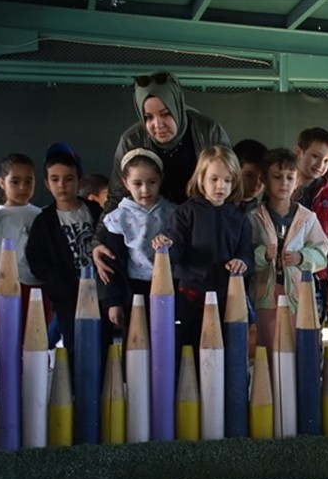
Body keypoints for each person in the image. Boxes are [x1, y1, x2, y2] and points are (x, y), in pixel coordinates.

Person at [93, 72, 231, 273]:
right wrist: (98, 241)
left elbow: (231, 187)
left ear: (177, 106)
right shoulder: (132, 140)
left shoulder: (208, 131)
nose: (158, 125)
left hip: (203, 237)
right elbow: (117, 197)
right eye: (148, 117)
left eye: (166, 114)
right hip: (154, 242)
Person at [154, 146, 252, 353]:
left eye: (227, 180)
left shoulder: (239, 218)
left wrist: (242, 262)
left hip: (228, 297)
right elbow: (175, 247)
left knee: (225, 351)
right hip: (191, 294)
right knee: (189, 349)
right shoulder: (185, 213)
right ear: (201, 179)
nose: (221, 186)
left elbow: (246, 254)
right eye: (214, 179)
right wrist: (166, 246)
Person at [247, 148, 328, 355]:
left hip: (298, 297)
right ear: (265, 180)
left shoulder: (307, 218)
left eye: (289, 177)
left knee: (297, 350)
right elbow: (244, 256)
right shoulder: (253, 217)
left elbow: (322, 254)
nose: (283, 183)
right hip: (265, 296)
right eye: (277, 177)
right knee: (266, 351)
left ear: (297, 181)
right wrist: (263, 255)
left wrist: (302, 257)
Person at [26, 142, 105, 355]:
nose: (62, 185)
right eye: (55, 179)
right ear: (46, 183)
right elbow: (36, 258)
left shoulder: (95, 211)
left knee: (103, 347)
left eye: (69, 179)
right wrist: (55, 282)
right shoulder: (44, 222)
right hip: (68, 298)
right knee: (75, 348)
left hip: (100, 295)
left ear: (79, 181)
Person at [98, 148, 176, 332]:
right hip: (133, 290)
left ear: (160, 180)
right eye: (137, 183)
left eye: (152, 182)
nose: (145, 190)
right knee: (136, 341)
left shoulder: (173, 213)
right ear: (125, 182)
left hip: (167, 287)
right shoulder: (118, 218)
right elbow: (112, 263)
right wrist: (114, 302)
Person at [292, 127, 328, 350]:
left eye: (326, 160)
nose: (320, 165)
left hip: (318, 276)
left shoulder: (327, 191)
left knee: (313, 334)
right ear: (298, 151)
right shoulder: (284, 184)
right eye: (315, 156)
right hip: (288, 273)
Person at [0, 152, 45, 331]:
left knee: (37, 340)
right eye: (15, 181)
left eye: (28, 182)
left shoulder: (41, 216)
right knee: (9, 339)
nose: (22, 187)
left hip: (38, 288)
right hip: (6, 288)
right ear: (1, 183)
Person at [233, 138, 268, 211]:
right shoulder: (219, 208)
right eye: (249, 176)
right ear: (234, 171)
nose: (257, 182)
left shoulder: (264, 213)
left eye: (262, 177)